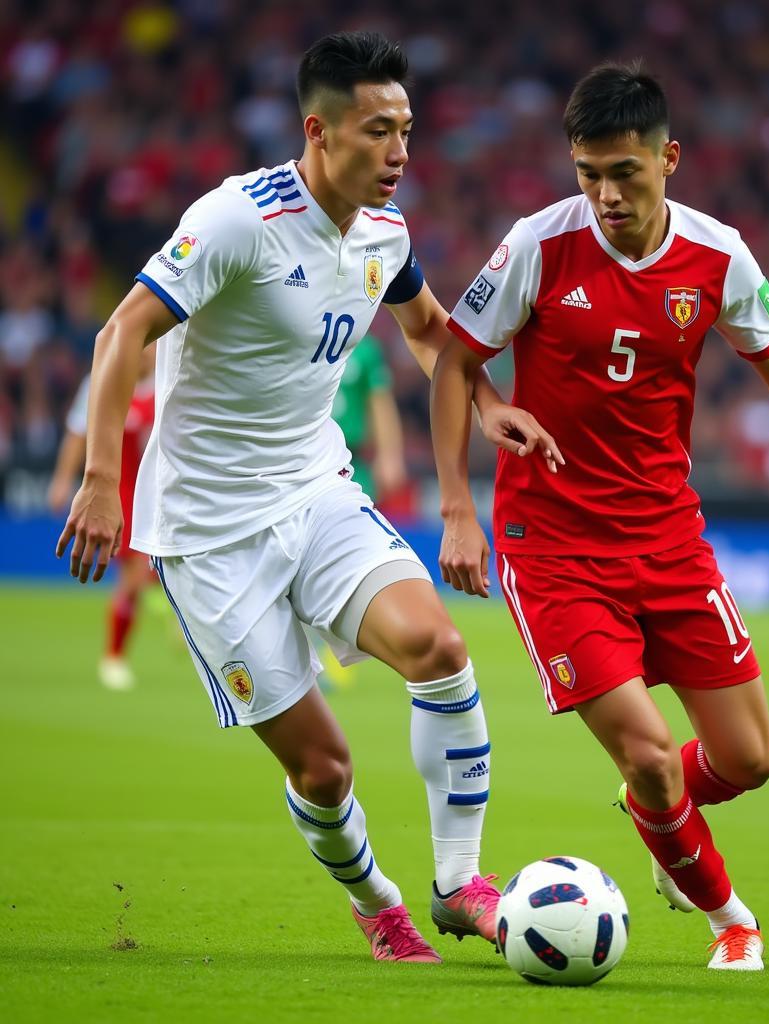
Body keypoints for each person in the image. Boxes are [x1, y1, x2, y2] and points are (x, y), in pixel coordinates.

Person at [55, 31, 551, 965]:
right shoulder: (238, 220)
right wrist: (98, 483)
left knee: (439, 648)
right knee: (325, 770)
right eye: (378, 131)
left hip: (316, 487)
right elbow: (123, 330)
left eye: (406, 129)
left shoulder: (386, 231)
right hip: (207, 534)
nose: (400, 151)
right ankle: (378, 904)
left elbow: (430, 327)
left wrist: (487, 403)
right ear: (319, 131)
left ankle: (458, 886)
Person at [430, 62, 769, 972]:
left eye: (623, 172)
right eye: (587, 172)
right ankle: (730, 920)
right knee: (651, 754)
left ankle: (656, 813)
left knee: (748, 760)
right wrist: (458, 510)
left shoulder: (717, 255)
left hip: (669, 540)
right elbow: (452, 360)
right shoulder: (539, 245)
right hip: (552, 549)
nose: (603, 193)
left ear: (668, 159)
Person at [49, 357, 156, 691]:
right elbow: (78, 434)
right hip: (120, 491)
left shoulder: (174, 371)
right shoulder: (104, 376)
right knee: (133, 575)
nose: (149, 350)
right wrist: (62, 480)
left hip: (161, 489)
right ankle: (114, 657)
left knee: (147, 575)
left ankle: (167, 609)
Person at [330, 332, 407, 505]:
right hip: (305, 452)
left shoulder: (365, 347)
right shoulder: (302, 339)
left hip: (350, 459)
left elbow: (380, 401)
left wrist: (389, 455)